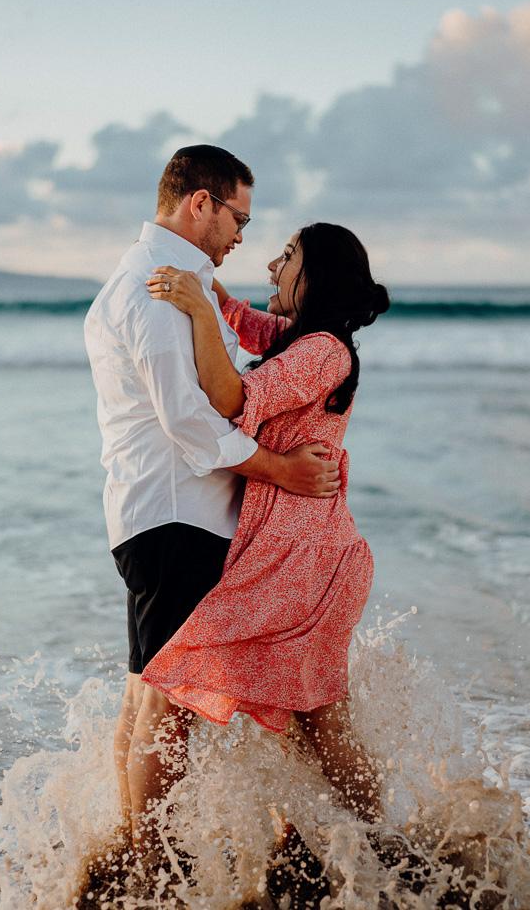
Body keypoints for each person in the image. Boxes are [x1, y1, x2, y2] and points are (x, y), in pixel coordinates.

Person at [83, 147, 341, 856]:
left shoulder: (173, 284)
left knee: (148, 689)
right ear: (201, 202)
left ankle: (140, 853)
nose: (241, 238)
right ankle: (149, 862)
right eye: (239, 219)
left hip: (161, 513)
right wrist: (280, 469)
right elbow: (189, 419)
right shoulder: (158, 287)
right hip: (177, 515)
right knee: (167, 701)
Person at [142, 222, 390, 826]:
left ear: (317, 276)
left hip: (304, 557)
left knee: (184, 676)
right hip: (293, 550)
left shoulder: (323, 351)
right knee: (309, 719)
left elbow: (230, 398)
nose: (272, 268)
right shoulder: (299, 338)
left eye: (287, 257)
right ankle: (343, 844)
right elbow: (249, 322)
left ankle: (380, 843)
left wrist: (199, 309)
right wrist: (210, 290)